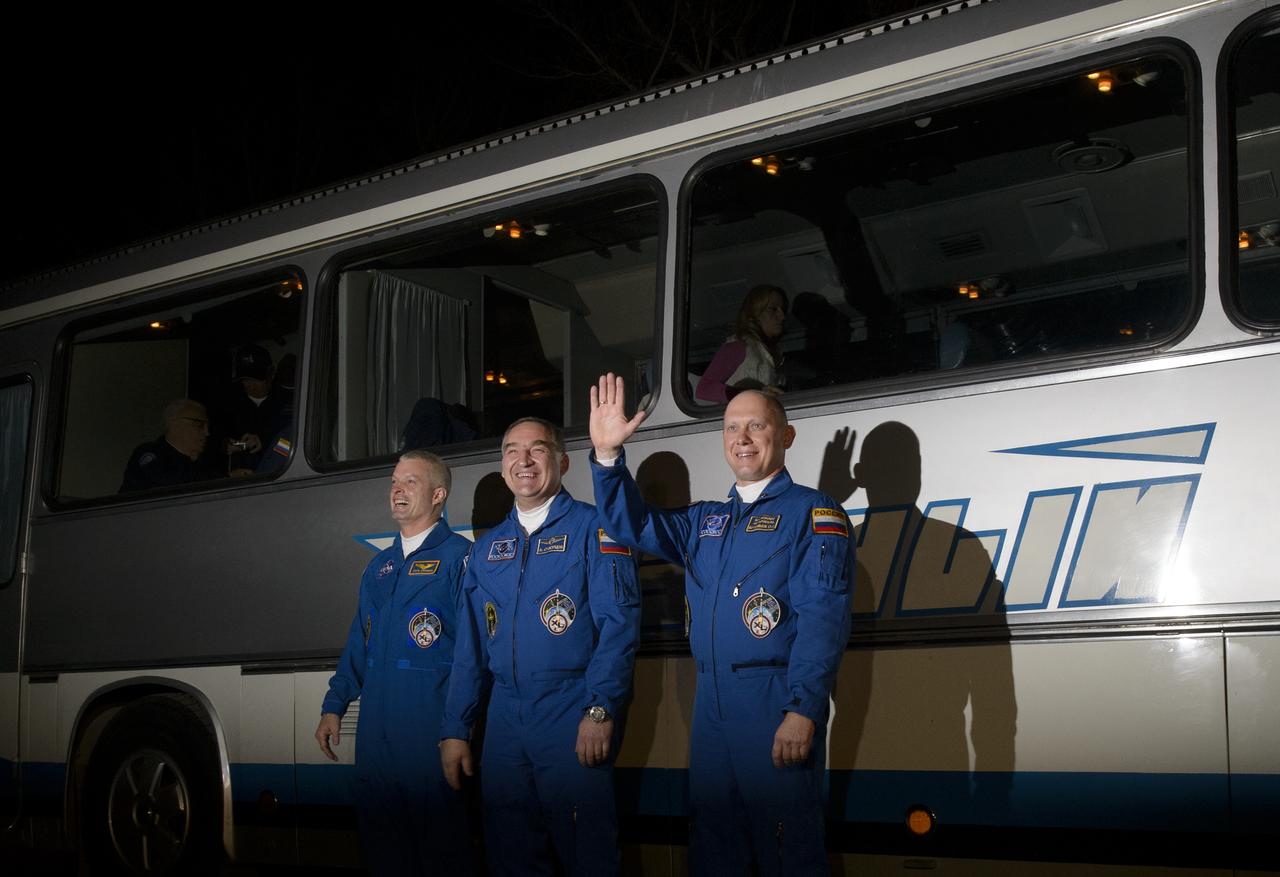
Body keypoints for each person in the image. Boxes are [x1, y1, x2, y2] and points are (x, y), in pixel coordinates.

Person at [588, 373, 854, 876]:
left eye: (757, 426)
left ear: (787, 436)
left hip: (773, 700)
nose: (743, 439)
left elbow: (823, 619)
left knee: (786, 846)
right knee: (713, 844)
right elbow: (633, 524)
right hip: (711, 703)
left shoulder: (814, 514)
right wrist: (607, 459)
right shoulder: (704, 521)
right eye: (733, 428)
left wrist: (803, 708)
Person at [440, 416, 641, 876]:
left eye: (537, 449)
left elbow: (619, 625)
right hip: (506, 722)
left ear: (562, 461)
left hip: (570, 712)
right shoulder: (489, 548)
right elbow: (470, 648)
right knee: (509, 852)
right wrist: (456, 728)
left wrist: (600, 709)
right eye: (512, 450)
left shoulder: (597, 530)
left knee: (586, 852)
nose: (523, 460)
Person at [315, 450, 472, 876]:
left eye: (411, 482)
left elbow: (472, 658)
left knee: (443, 856)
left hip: (429, 738)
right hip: (376, 743)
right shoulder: (379, 567)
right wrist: (335, 705)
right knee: (383, 855)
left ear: (439, 495)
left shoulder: (460, 559)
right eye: (394, 481)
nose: (397, 490)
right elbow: (358, 643)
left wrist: (457, 729)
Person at [695, 284, 788, 403]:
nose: (782, 316)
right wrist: (752, 395)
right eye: (773, 309)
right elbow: (704, 389)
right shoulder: (738, 347)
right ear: (755, 313)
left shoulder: (774, 356)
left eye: (782, 310)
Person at [119, 399, 219, 493]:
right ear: (174, 423)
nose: (207, 433)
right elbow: (169, 485)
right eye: (199, 425)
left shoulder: (203, 463)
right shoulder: (150, 452)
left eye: (207, 426)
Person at [221, 343, 288, 475]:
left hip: (277, 476)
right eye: (245, 380)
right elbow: (211, 440)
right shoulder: (229, 404)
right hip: (239, 480)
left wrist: (264, 441)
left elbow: (293, 444)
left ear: (271, 374)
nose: (251, 386)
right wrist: (225, 445)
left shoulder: (288, 404)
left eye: (256, 379)